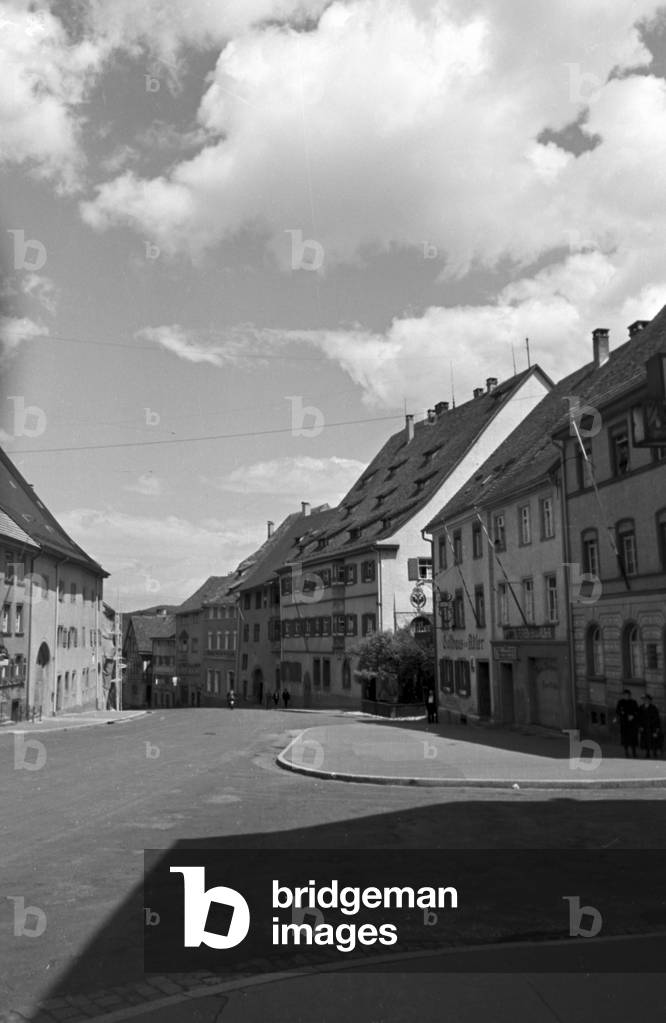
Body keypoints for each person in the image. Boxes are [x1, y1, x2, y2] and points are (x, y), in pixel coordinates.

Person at [615, 689, 639, 757]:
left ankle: (634, 752)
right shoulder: (620, 702)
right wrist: (621, 714)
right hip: (624, 723)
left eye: (628, 695)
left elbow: (637, 711)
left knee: (633, 738)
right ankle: (626, 752)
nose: (626, 696)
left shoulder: (633, 702)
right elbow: (617, 711)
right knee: (625, 738)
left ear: (630, 695)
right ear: (623, 695)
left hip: (632, 724)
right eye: (625, 695)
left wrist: (633, 716)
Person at [638, 694, 661, 759]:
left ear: (650, 700)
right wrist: (640, 726)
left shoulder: (653, 708)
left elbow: (657, 719)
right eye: (645, 700)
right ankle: (647, 753)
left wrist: (657, 728)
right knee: (645, 741)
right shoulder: (641, 708)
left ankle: (654, 752)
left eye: (647, 700)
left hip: (652, 727)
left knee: (654, 740)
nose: (646, 701)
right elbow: (639, 718)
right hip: (644, 727)